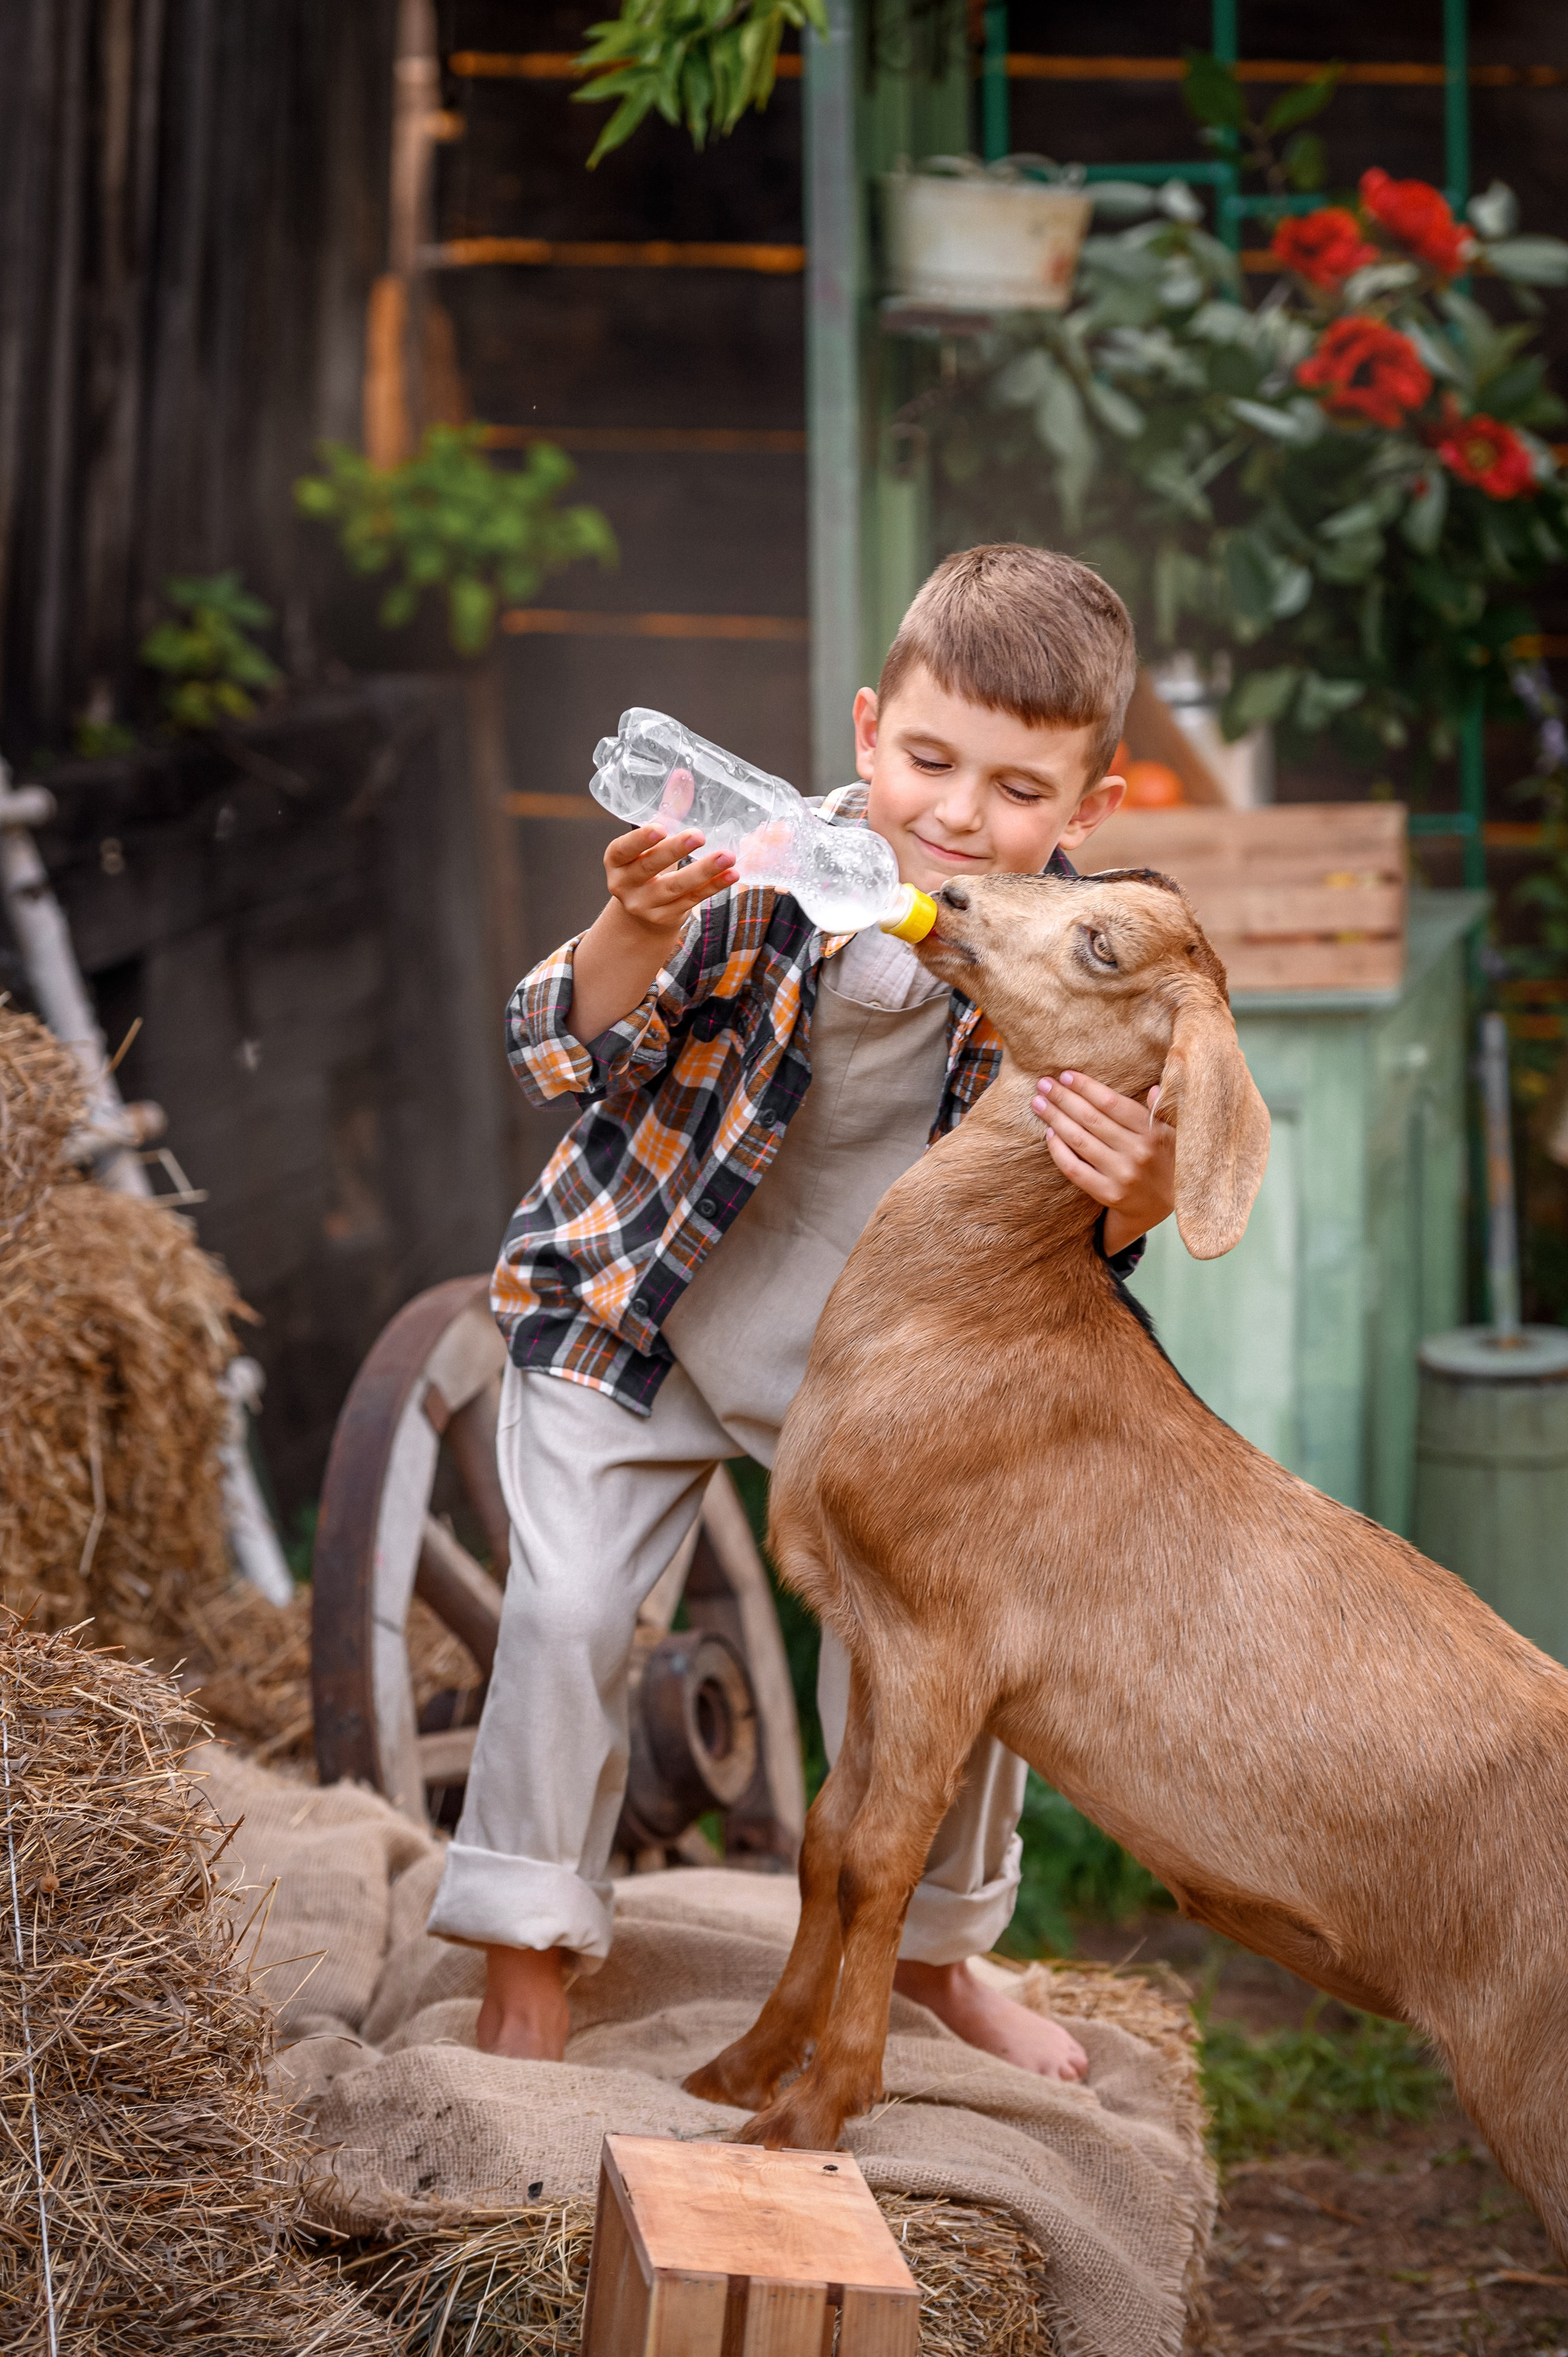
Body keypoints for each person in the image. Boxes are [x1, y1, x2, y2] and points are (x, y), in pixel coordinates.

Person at [427, 543, 1178, 2081]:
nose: (959, 816)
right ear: (862, 733)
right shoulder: (759, 868)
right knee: (568, 1612)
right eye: (926, 760)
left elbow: (1098, 1240)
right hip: (652, 1302)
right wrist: (630, 930)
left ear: (1090, 813)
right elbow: (551, 1059)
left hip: (886, 1374)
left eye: (1019, 792)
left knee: (940, 1659)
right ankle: (525, 1946)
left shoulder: (1085, 971)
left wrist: (1137, 1187)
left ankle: (929, 1957)